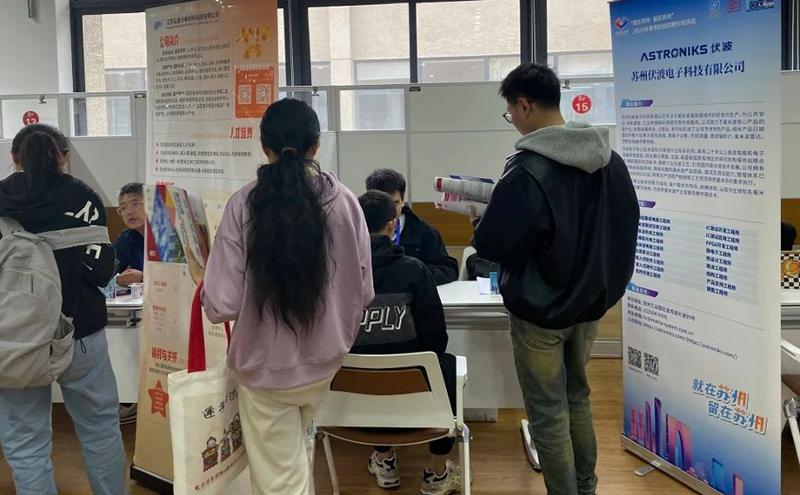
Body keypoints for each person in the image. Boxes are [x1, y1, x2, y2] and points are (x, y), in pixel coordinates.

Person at [472, 64, 639, 495]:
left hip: (540, 313)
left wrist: (481, 219)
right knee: (577, 396)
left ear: (524, 105)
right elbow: (626, 226)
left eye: (511, 112)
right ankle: (586, 488)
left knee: (548, 411)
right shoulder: (611, 161)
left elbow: (492, 244)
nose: (513, 120)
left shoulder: (527, 170)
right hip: (590, 306)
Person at [194, 99, 374, 494]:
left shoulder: (243, 205)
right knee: (296, 460)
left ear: (265, 148)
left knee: (280, 480)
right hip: (326, 361)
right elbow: (364, 291)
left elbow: (222, 304)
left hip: (266, 370)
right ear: (316, 146)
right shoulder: (345, 202)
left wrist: (204, 282)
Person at [0, 124, 128, 494]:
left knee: (25, 442)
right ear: (64, 156)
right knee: (100, 428)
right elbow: (102, 270)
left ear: (14, 157)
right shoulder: (84, 197)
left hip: (15, 339)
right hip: (81, 330)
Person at [354, 190, 461, 495]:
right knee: (446, 365)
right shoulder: (414, 270)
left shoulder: (337, 273)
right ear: (392, 224)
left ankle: (384, 460)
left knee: (369, 361)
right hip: (416, 389)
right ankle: (437, 473)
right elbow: (436, 338)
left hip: (354, 395)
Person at [365, 169, 458, 285]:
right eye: (382, 205)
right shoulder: (358, 232)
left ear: (403, 201)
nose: (389, 211)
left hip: (411, 293)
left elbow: (447, 270)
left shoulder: (423, 231)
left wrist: (414, 275)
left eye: (395, 203)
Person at [114, 182, 145, 287]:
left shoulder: (167, 235)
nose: (129, 212)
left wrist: (143, 277)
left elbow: (176, 276)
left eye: (135, 204)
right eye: (123, 208)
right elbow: (109, 270)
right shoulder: (126, 238)